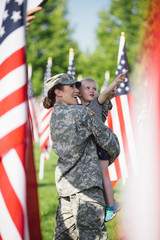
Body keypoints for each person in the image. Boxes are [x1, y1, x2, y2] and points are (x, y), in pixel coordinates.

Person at [43, 73, 120, 240]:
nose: (76, 90)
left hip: (66, 189)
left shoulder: (54, 116)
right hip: (87, 192)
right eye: (71, 86)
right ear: (58, 92)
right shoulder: (81, 114)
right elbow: (110, 142)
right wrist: (104, 159)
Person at [79, 71, 127, 222]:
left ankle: (112, 206)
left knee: (102, 175)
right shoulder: (78, 109)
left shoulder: (95, 105)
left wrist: (115, 83)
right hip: (91, 149)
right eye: (87, 88)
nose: (92, 90)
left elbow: (104, 94)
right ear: (78, 93)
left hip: (101, 147)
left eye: (94, 88)